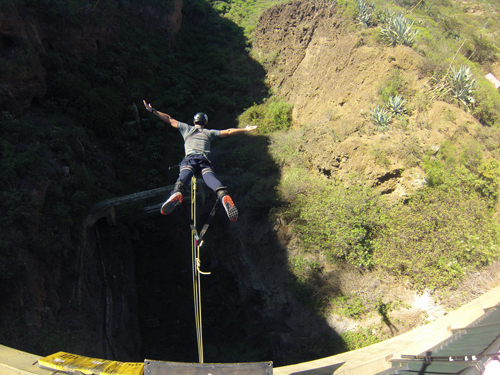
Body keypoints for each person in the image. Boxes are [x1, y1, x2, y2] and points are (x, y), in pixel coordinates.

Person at [143, 100, 257, 222]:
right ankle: (223, 194)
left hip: (190, 159)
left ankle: (177, 191)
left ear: (194, 121)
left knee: (185, 174)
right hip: (204, 160)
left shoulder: (186, 129)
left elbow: (169, 119)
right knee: (209, 177)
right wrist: (245, 129)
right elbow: (228, 132)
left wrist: (153, 110)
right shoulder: (209, 133)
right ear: (205, 122)